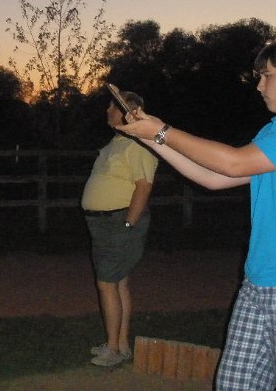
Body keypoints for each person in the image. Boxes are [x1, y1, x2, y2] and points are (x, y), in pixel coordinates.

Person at [118, 39, 276, 390]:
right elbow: (215, 177)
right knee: (234, 383)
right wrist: (153, 140)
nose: (259, 85)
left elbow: (233, 161)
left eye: (266, 75)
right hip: (260, 280)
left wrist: (163, 131)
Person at [82, 90, 159, 367]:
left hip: (119, 222)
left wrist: (129, 223)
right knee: (118, 283)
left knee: (106, 283)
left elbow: (144, 186)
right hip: (104, 224)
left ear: (130, 110)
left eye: (113, 107)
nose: (107, 111)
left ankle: (113, 349)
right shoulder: (116, 142)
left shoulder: (138, 144)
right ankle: (121, 344)